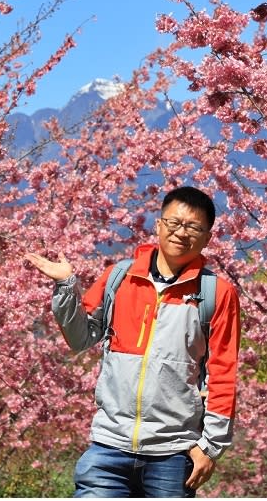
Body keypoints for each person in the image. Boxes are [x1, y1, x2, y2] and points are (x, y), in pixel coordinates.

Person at [26, 186, 241, 497]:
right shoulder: (120, 277)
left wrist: (210, 447)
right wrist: (64, 286)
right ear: (158, 225)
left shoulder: (216, 293)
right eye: (174, 223)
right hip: (109, 447)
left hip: (173, 453)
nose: (181, 233)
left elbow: (223, 373)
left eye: (193, 227)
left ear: (207, 237)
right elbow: (80, 337)